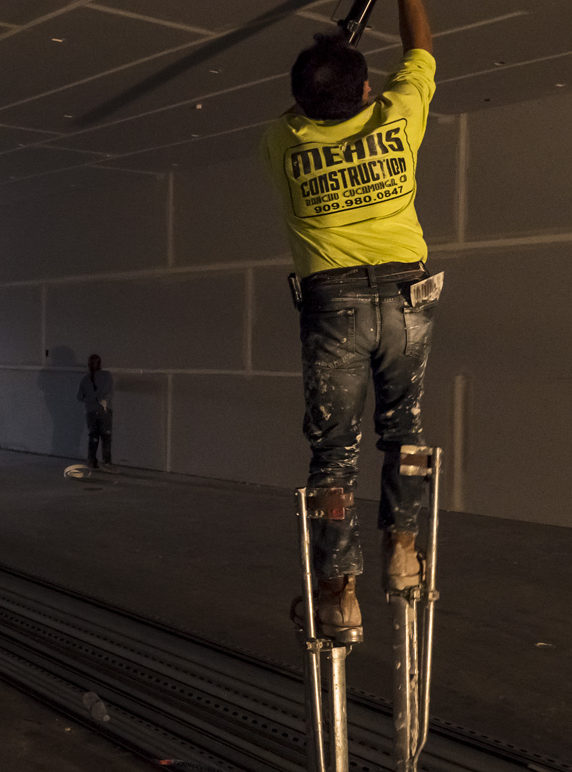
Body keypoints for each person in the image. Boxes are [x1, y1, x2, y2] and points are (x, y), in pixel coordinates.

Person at [261, 0, 438, 643]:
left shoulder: (282, 142)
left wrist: (332, 59)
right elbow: (420, 51)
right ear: (368, 92)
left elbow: (300, 108)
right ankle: (404, 554)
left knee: (334, 453)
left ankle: (338, 598)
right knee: (405, 430)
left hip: (332, 303)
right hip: (407, 294)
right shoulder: (398, 113)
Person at [76, 354, 115, 472]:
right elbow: (109, 392)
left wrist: (89, 399)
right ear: (100, 364)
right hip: (104, 410)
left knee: (93, 436)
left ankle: (91, 461)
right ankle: (106, 462)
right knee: (106, 437)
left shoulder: (84, 380)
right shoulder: (107, 375)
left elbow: (79, 397)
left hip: (90, 411)